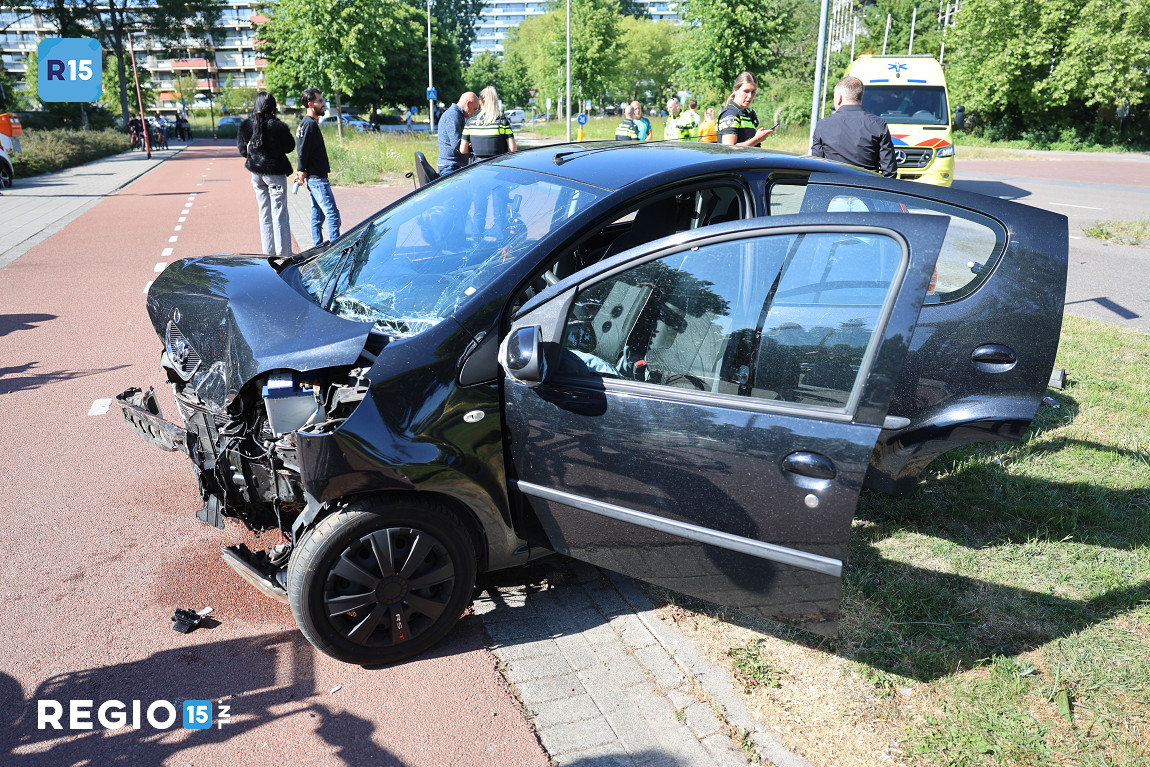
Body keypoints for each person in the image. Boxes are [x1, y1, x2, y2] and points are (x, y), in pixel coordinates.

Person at [237, 91, 295, 258]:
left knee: (264, 212)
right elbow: (289, 146)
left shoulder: (245, 125)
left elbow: (242, 150)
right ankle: (284, 255)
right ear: (273, 107)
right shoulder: (277, 126)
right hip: (275, 173)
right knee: (279, 213)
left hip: (256, 173)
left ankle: (268, 254)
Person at [811, 76, 897, 178]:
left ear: (839, 98)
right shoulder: (878, 125)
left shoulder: (823, 126)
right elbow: (889, 171)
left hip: (833, 188)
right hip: (868, 189)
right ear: (860, 97)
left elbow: (816, 167)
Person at [294, 87, 342, 247]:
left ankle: (317, 247)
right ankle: (335, 251)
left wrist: (302, 169)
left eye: (323, 100)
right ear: (310, 104)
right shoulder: (310, 125)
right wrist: (301, 170)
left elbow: (302, 149)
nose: (323, 104)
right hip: (318, 179)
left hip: (315, 177)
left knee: (317, 216)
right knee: (333, 215)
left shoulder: (304, 124)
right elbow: (303, 151)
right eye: (320, 101)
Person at [460, 85, 518, 160]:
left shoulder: (470, 123)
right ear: (495, 102)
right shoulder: (502, 122)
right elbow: (512, 149)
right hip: (498, 166)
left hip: (477, 167)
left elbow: (463, 150)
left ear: (480, 102)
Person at [718, 72, 774, 147]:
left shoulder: (746, 112)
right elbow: (729, 149)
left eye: (753, 92)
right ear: (736, 90)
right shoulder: (731, 114)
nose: (750, 96)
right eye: (746, 91)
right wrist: (757, 139)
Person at [436, 91, 480, 176]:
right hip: (450, 166)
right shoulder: (453, 115)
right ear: (468, 104)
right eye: (475, 109)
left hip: (455, 164)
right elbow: (458, 145)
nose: (475, 112)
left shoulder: (458, 115)